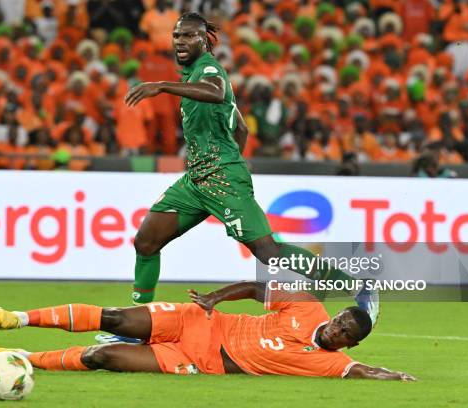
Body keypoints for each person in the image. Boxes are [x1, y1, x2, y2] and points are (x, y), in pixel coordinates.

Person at [122, 13, 379, 324]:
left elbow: (216, 91)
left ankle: (357, 285)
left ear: (203, 40)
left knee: (268, 252)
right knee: (146, 242)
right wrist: (228, 156)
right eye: (177, 36)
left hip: (222, 180)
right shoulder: (192, 75)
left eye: (188, 36)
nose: (180, 41)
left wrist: (161, 86)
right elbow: (240, 127)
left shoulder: (208, 69)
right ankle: (134, 324)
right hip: (197, 181)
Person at [0, 281, 414, 380]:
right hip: (198, 320)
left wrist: (395, 376)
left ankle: (23, 359)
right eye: (339, 319)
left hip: (194, 361)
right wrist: (216, 298)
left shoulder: (330, 362)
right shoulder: (305, 305)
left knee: (101, 358)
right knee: (115, 318)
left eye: (344, 331)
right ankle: (18, 318)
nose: (335, 328)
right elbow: (259, 287)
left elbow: (363, 372)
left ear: (348, 343)